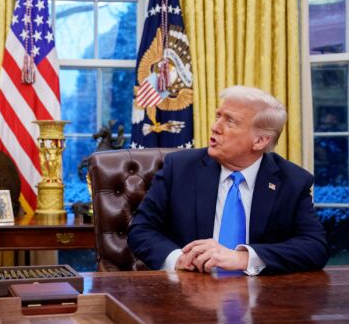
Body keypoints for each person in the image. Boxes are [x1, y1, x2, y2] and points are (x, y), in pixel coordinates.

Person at [128, 85, 329, 275]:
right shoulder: (179, 168)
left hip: (262, 300)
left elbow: (315, 247)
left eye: (230, 121)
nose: (215, 127)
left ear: (260, 141)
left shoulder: (291, 181)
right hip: (190, 292)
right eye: (218, 116)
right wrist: (179, 260)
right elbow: (141, 230)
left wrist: (242, 258)